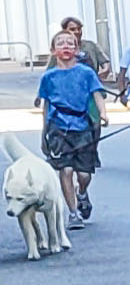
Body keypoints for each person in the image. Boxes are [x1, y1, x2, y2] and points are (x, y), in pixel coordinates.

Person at [38, 28, 105, 224]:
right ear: (53, 50)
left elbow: (97, 95)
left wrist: (103, 113)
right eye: (61, 43)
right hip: (58, 128)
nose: (66, 46)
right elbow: (46, 104)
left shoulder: (86, 73)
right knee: (65, 170)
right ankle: (73, 213)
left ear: (77, 50)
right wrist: (45, 132)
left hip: (83, 126)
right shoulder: (48, 77)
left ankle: (81, 192)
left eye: (70, 43)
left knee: (84, 174)